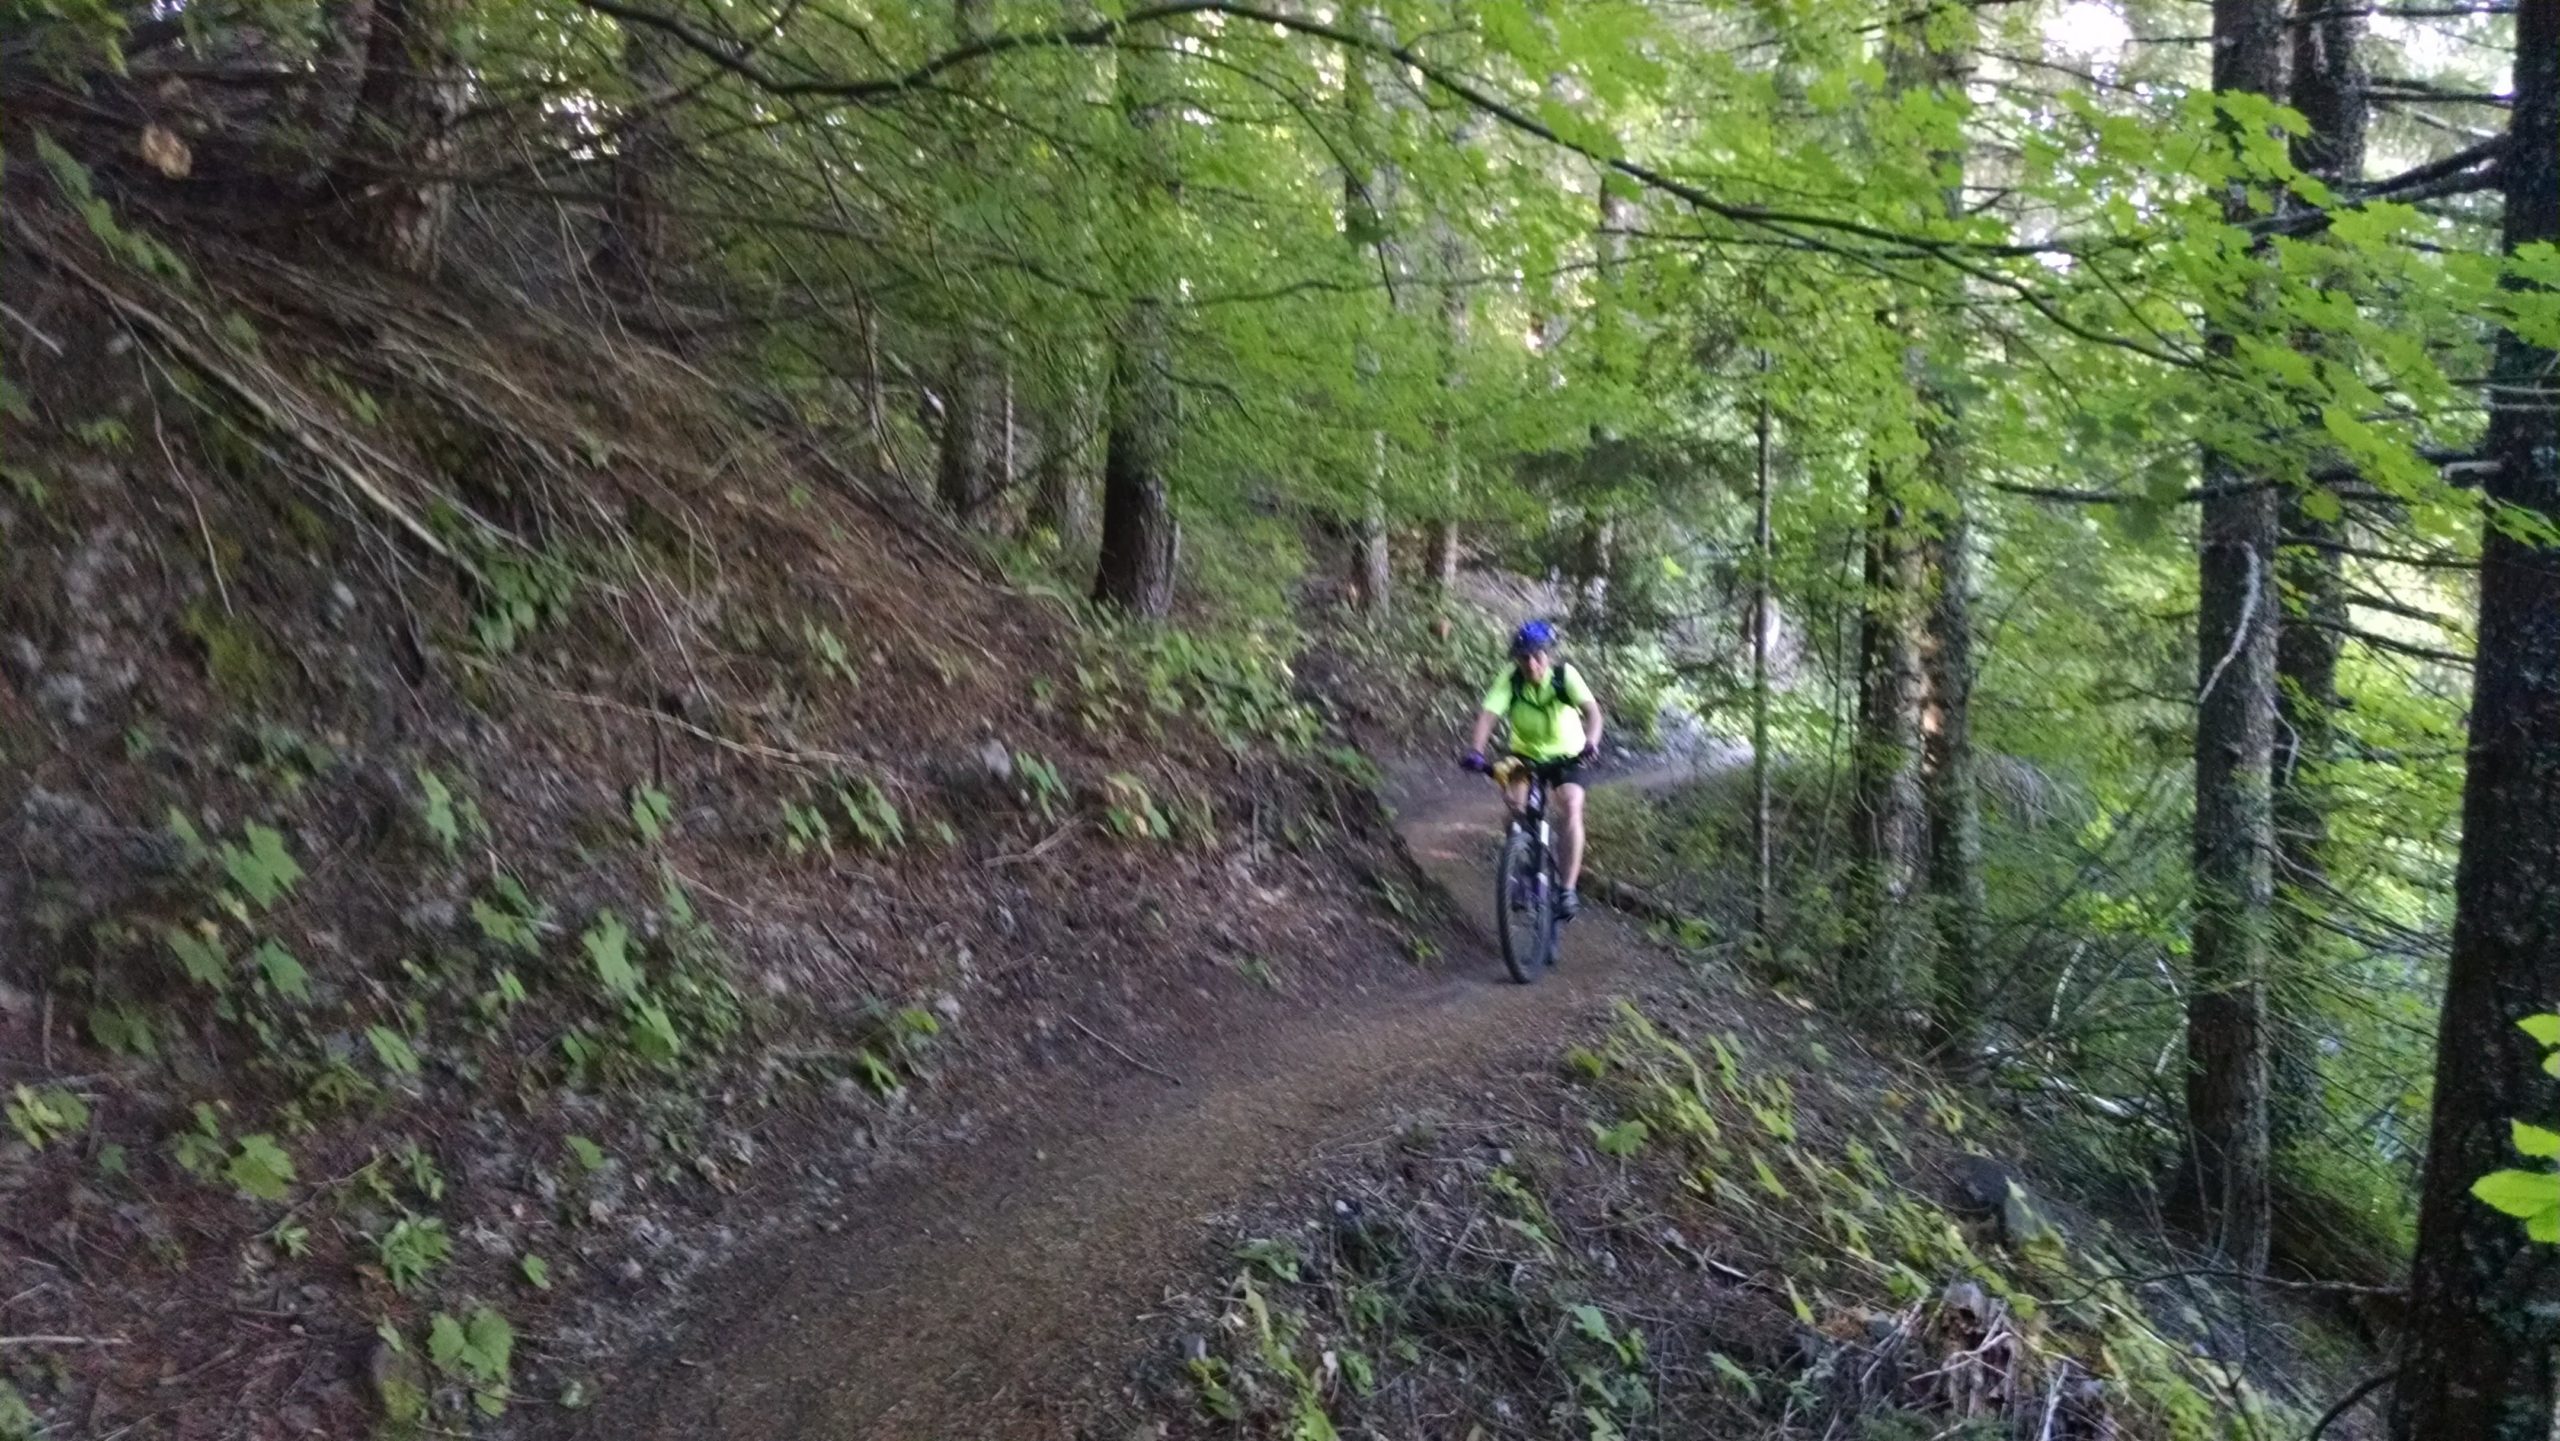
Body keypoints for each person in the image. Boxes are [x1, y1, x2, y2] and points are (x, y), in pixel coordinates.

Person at [1460, 619, 1604, 919]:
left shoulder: (1566, 677)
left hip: (1568, 755)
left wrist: (1591, 742)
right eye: (1524, 657)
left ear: (1547, 655)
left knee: (1572, 805)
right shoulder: (1511, 679)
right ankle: (1523, 868)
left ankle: (1566, 889)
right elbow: (1488, 715)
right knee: (1514, 803)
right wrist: (1476, 750)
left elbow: (1593, 713)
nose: (1531, 663)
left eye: (1537, 655)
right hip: (1524, 755)